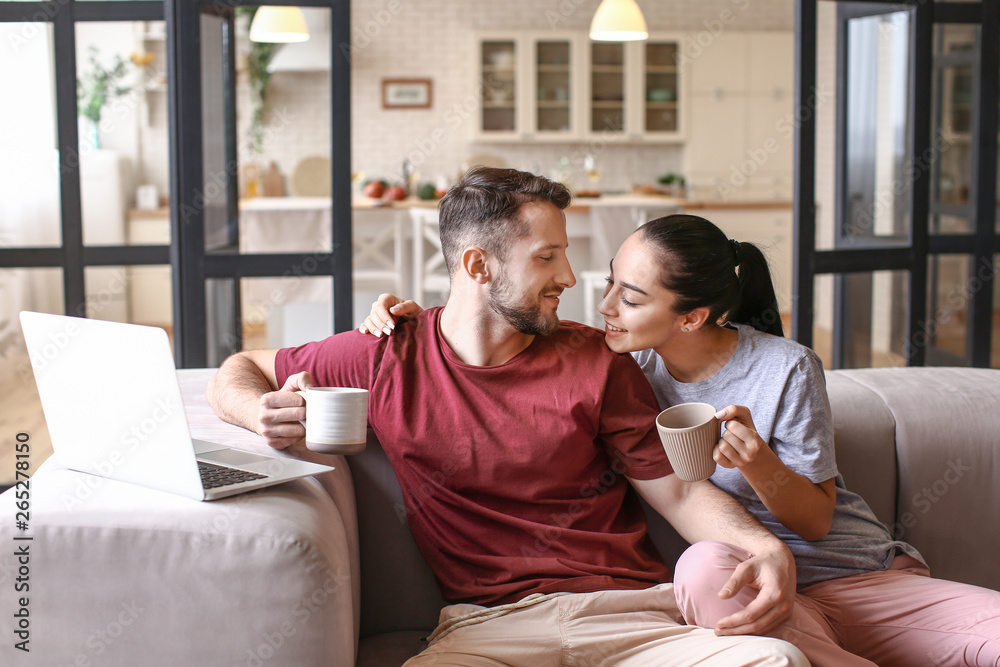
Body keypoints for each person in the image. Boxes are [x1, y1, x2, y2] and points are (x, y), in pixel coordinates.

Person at [208, 168, 808, 665]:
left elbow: (677, 489)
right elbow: (241, 365)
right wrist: (257, 410)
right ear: (478, 267)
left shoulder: (597, 359)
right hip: (488, 633)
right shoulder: (386, 352)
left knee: (777, 662)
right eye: (547, 258)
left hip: (634, 621)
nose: (569, 280)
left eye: (566, 256)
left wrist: (762, 545)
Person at [361, 213, 1000, 667]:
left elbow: (817, 517)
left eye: (630, 297)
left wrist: (761, 467)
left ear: (691, 315)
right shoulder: (619, 366)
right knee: (705, 564)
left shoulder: (784, 368)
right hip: (735, 587)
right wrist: (419, 319)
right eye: (608, 280)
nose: (603, 304)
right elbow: (502, 331)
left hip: (852, 577)